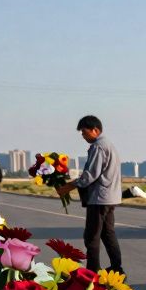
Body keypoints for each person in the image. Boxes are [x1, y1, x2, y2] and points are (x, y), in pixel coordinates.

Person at [58, 115, 122, 273]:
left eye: (85, 132)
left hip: (99, 199)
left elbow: (90, 175)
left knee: (92, 236)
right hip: (110, 197)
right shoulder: (108, 144)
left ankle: (92, 271)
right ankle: (116, 268)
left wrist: (70, 185)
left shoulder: (98, 146)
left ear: (96, 130)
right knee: (108, 234)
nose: (83, 136)